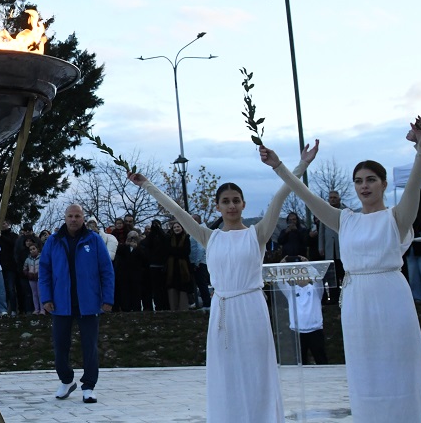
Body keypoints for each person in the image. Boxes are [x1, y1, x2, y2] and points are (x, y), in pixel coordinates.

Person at [260, 124, 421, 422]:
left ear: (383, 184)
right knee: (365, 369)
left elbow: (414, 186)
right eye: (358, 181)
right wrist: (280, 165)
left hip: (391, 297)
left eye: (370, 180)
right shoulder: (345, 220)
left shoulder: (396, 218)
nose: (364, 186)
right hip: (356, 301)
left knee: (399, 364)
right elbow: (305, 195)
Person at [129, 145, 315, 423]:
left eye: (236, 200)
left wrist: (299, 165)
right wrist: (147, 185)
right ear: (217, 206)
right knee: (226, 372)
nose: (231, 205)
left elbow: (281, 195)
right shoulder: (209, 236)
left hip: (252, 308)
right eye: (225, 201)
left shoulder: (258, 233)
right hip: (223, 311)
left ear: (243, 204)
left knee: (257, 370)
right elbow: (176, 210)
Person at [38, 204, 114, 404]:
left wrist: (108, 299)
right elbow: (44, 271)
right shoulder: (53, 241)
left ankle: (88, 386)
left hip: (88, 302)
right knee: (60, 346)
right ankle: (66, 380)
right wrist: (46, 298)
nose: (73, 219)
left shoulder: (94, 240)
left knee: (90, 347)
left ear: (83, 218)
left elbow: (106, 270)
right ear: (65, 218)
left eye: (77, 216)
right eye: (70, 216)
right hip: (61, 303)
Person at [276, 256, 328, 365]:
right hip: (297, 333)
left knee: (321, 361)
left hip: (315, 331)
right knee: (300, 363)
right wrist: (281, 265)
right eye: (298, 274)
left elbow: (318, 279)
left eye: (303, 274)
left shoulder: (316, 291)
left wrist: (308, 264)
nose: (300, 277)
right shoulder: (291, 292)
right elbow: (280, 281)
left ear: (309, 276)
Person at [165, 221, 193, 311]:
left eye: (178, 227)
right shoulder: (169, 239)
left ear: (182, 228)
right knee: (172, 288)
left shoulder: (186, 238)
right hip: (172, 269)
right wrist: (177, 251)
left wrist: (174, 251)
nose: (176, 229)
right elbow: (167, 251)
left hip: (183, 269)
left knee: (183, 289)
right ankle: (174, 309)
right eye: (175, 227)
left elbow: (185, 252)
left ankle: (183, 309)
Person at [0, 221, 19, 315]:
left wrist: (1, 236)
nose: (2, 224)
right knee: (2, 289)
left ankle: (13, 309)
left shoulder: (13, 235)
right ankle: (4, 310)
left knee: (11, 288)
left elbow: (13, 244)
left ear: (8, 224)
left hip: (11, 266)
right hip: (0, 266)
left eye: (4, 223)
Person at [23, 242, 43, 314]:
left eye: (34, 249)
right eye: (30, 249)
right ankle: (36, 309)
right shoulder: (28, 259)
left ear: (37, 249)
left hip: (40, 278)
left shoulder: (42, 258)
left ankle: (42, 309)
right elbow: (24, 268)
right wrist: (28, 274)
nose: (32, 251)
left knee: (41, 294)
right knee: (34, 294)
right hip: (31, 279)